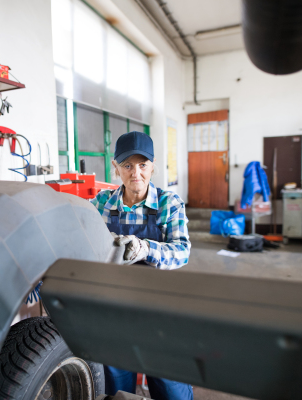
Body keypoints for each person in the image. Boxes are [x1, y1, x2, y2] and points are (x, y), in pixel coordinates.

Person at [89, 131, 193, 400]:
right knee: (117, 386)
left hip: (159, 310)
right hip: (114, 310)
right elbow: (80, 237)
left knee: (172, 388)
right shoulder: (100, 203)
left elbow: (182, 251)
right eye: (127, 166)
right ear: (116, 168)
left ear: (153, 166)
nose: (136, 173)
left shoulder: (169, 204)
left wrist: (146, 248)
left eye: (143, 165)